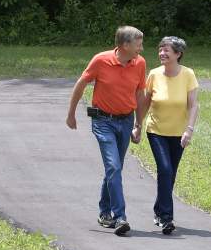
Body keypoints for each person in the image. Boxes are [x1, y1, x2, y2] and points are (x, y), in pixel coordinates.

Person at [66, 26, 147, 236]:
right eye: (138, 44)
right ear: (124, 45)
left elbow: (139, 94)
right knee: (113, 166)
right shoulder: (101, 60)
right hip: (103, 121)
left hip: (126, 120)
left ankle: (104, 213)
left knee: (115, 168)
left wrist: (139, 124)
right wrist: (71, 113)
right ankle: (120, 217)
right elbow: (81, 83)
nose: (141, 48)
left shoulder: (139, 63)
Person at [132, 36, 199, 235]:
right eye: (160, 49)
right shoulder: (153, 74)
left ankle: (159, 210)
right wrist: (137, 125)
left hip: (179, 134)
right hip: (157, 131)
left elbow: (194, 105)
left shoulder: (188, 75)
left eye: (166, 50)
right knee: (165, 170)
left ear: (178, 54)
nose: (162, 53)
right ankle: (167, 218)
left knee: (170, 175)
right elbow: (144, 103)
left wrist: (189, 130)